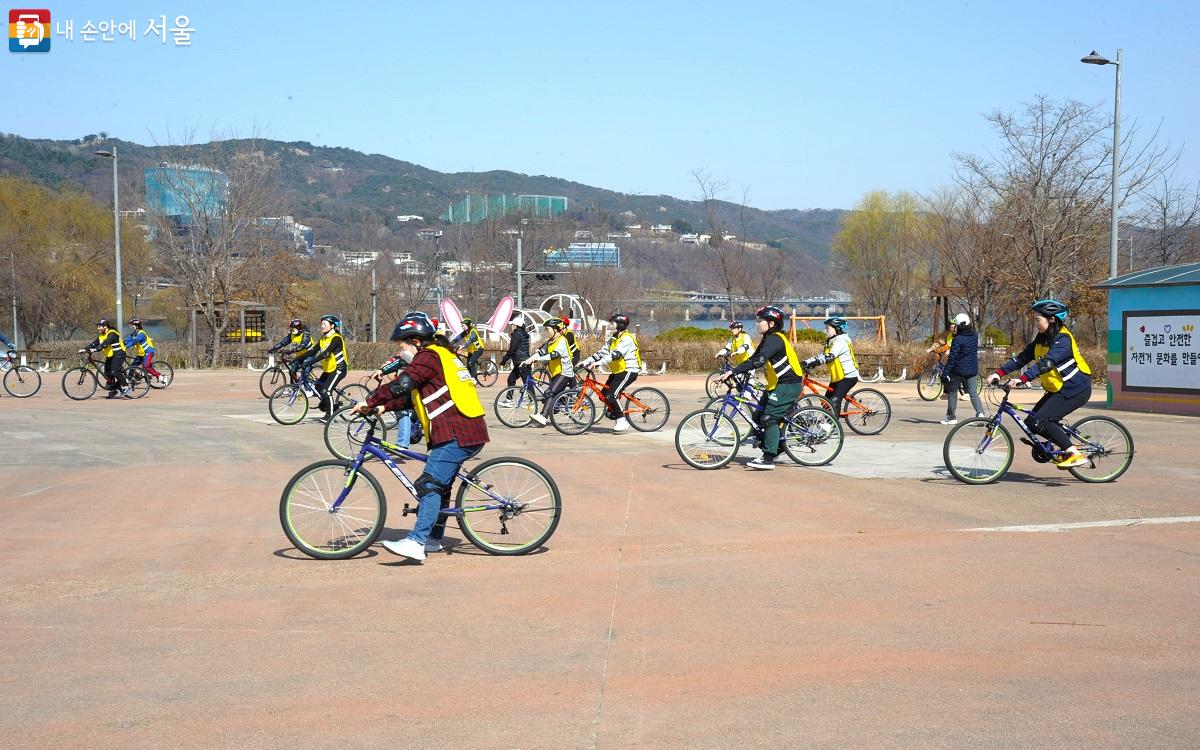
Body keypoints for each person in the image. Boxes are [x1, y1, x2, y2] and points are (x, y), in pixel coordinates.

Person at [357, 311, 489, 561]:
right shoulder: (439, 355)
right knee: (441, 486)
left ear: (416, 341)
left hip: (457, 432)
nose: (400, 351)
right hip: (463, 429)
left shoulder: (428, 356)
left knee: (428, 483)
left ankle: (416, 541)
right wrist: (384, 407)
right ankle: (433, 539)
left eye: (402, 345)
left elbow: (404, 383)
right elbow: (414, 396)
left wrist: (369, 399)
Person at [987, 299, 1092, 469]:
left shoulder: (1063, 339)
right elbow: (1022, 358)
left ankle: (1074, 453)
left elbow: (1047, 363)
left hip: (1075, 388)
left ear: (1052, 319)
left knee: (1043, 420)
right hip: (1057, 388)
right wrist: (998, 373)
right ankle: (1059, 443)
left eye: (1038, 320)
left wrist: (1022, 379)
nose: (1036, 324)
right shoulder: (1042, 338)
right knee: (1032, 422)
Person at [722, 306, 804, 470]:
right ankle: (777, 446)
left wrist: (734, 371)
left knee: (769, 419)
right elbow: (753, 358)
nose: (757, 324)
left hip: (788, 385)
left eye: (760, 321)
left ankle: (768, 459)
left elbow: (758, 361)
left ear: (771, 323)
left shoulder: (775, 339)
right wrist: (734, 371)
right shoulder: (768, 339)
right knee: (758, 417)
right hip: (776, 385)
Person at [576, 312, 642, 432]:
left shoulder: (627, 338)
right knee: (604, 396)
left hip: (629, 371)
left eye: (613, 323)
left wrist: (599, 363)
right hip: (618, 371)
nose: (611, 325)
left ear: (620, 325)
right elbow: (600, 354)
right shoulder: (612, 340)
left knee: (611, 395)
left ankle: (622, 420)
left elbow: (616, 355)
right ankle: (614, 412)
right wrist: (584, 362)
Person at [802, 316, 859, 418]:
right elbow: (821, 356)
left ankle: (833, 427)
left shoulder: (841, 341)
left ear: (836, 329)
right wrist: (806, 362)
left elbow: (830, 356)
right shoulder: (831, 342)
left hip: (847, 377)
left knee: (834, 401)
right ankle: (829, 421)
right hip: (838, 376)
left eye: (827, 328)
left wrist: (813, 362)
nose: (825, 331)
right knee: (826, 402)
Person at [524, 318, 575, 427]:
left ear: (556, 329)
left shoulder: (561, 340)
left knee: (549, 392)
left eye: (548, 329)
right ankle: (557, 406)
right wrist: (528, 360)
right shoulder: (550, 342)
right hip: (556, 373)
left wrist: (537, 359)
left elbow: (555, 355)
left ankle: (543, 416)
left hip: (564, 373)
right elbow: (541, 353)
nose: (546, 332)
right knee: (551, 394)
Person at [939, 313, 986, 424]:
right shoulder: (974, 335)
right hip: (972, 369)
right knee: (973, 392)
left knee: (952, 392)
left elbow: (953, 358)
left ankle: (951, 417)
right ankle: (981, 415)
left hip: (958, 370)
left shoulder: (958, 339)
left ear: (959, 326)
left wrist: (945, 373)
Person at [306, 314, 348, 418]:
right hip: (329, 369)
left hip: (339, 369)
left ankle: (330, 415)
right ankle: (331, 405)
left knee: (326, 391)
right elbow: (312, 351)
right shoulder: (324, 338)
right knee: (318, 388)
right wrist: (296, 360)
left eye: (324, 324)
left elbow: (326, 353)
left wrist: (311, 362)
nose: (322, 326)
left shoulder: (336, 338)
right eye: (322, 324)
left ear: (332, 326)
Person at [80, 319, 131, 398]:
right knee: (107, 374)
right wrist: (85, 349)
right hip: (110, 356)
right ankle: (113, 390)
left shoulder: (112, 333)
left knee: (114, 371)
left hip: (119, 354)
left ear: (105, 326)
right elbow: (94, 343)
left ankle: (126, 386)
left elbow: (106, 343)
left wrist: (96, 349)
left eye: (100, 327)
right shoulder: (101, 335)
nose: (98, 328)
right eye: (98, 327)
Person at [268, 319, 318, 383]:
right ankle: (293, 388)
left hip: (309, 355)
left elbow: (303, 346)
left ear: (298, 328)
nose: (292, 330)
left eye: (293, 329)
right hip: (300, 356)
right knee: (292, 371)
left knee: (305, 374)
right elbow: (282, 343)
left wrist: (291, 351)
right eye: (291, 329)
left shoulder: (305, 334)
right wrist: (273, 348)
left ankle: (309, 390)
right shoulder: (292, 335)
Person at [499, 313, 531, 389]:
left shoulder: (516, 335)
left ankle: (533, 400)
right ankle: (509, 399)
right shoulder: (524, 334)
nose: (511, 326)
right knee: (511, 380)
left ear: (516, 326)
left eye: (512, 325)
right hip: (522, 362)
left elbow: (512, 350)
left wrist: (504, 360)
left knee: (527, 383)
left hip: (521, 363)